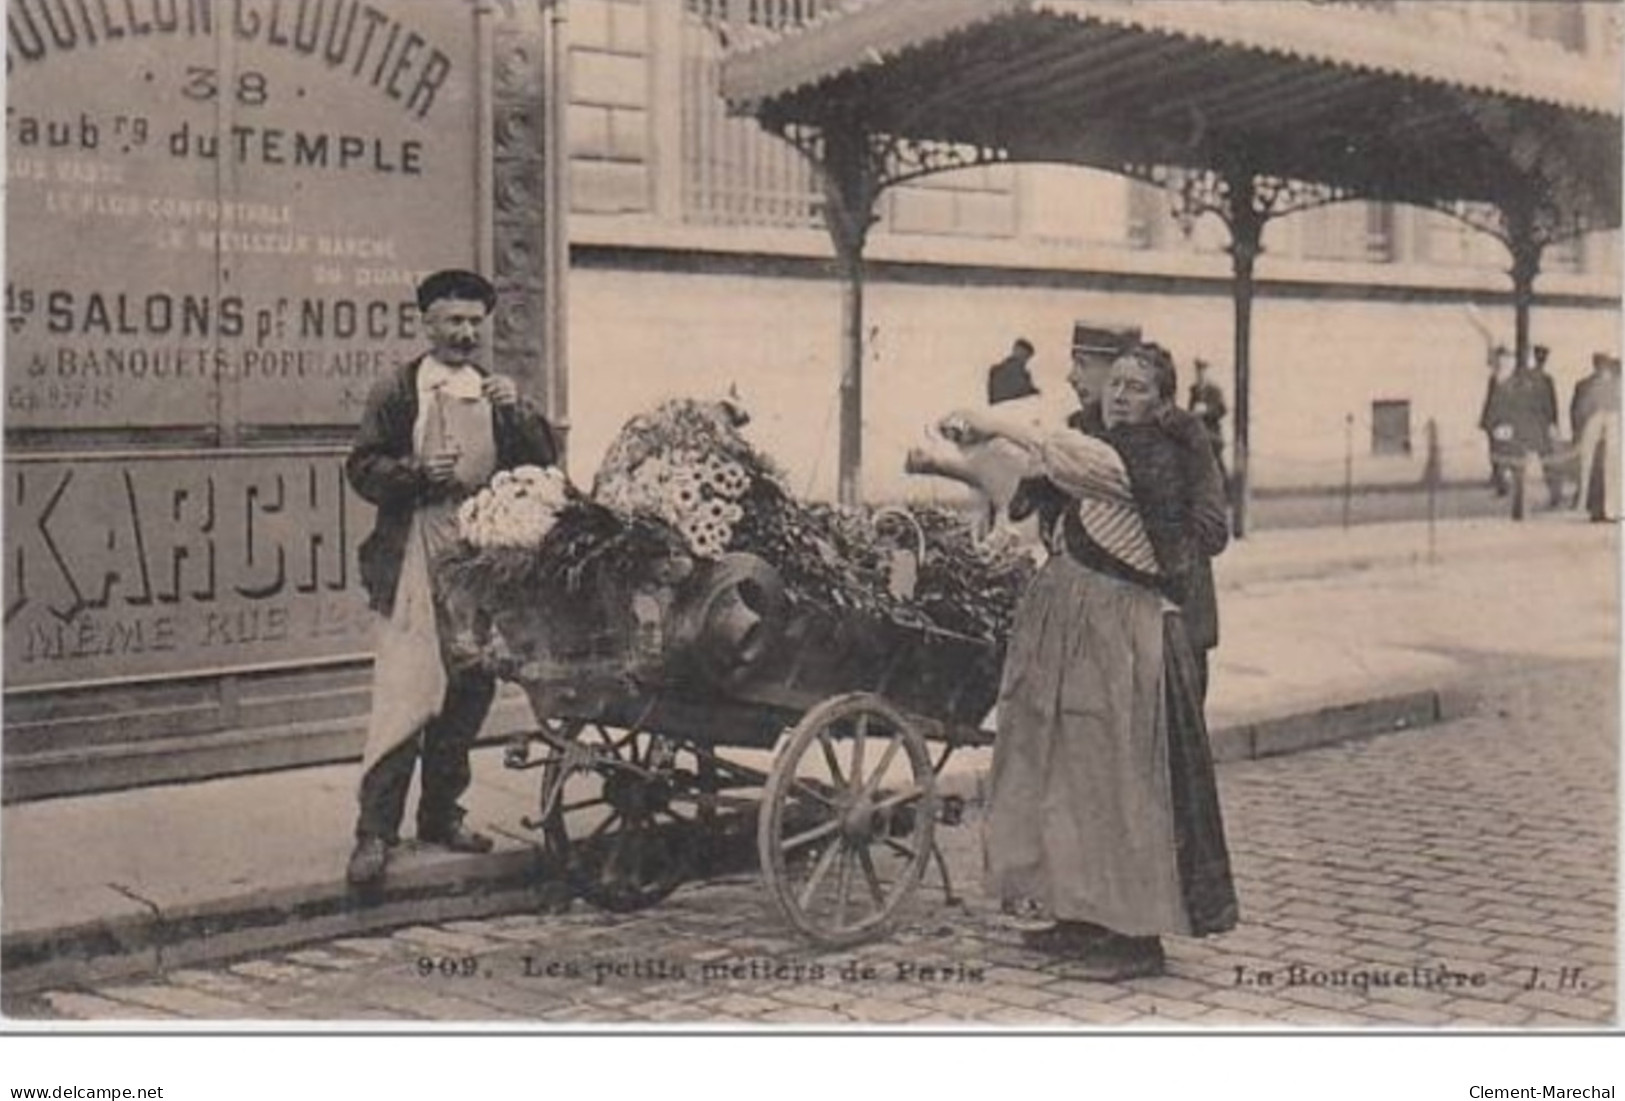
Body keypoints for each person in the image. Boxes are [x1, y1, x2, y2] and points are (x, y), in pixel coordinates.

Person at [949, 344, 1239, 981]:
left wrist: (988, 420)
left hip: (1123, 631)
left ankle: (1135, 938)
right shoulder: (1100, 440)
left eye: (1138, 387)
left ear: (1161, 400)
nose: (1121, 395)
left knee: (1118, 781)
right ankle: (1077, 914)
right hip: (1079, 622)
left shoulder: (1145, 454)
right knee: (1068, 771)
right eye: (1120, 385)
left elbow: (1064, 458)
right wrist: (950, 462)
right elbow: (1032, 486)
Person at [345, 269, 561, 887]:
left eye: (474, 322)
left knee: (469, 691)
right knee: (405, 695)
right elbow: (361, 468)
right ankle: (374, 835)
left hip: (477, 557)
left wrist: (518, 413)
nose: (465, 333)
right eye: (453, 321)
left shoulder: (496, 392)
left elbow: (543, 463)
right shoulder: (400, 387)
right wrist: (415, 471)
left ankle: (441, 815)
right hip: (414, 555)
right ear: (427, 323)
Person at [1575, 354, 1620, 523]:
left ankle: (1602, 509)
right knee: (1603, 475)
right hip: (1602, 441)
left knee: (1604, 474)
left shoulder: (1596, 386)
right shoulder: (1601, 387)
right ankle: (1602, 509)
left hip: (1603, 441)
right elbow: (1584, 409)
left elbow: (1583, 410)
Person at [1187, 357, 1229, 484]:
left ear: (1207, 372)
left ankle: (1228, 492)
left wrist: (1207, 411)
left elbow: (1222, 410)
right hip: (1198, 434)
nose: (1200, 374)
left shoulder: (1214, 391)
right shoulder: (1194, 390)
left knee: (1216, 464)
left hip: (1212, 434)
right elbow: (1190, 410)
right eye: (1198, 371)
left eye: (1203, 370)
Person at [986, 337, 1039, 406]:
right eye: (1023, 354)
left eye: (1026, 356)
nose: (1024, 359)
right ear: (1015, 350)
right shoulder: (998, 370)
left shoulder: (996, 370)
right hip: (1011, 408)